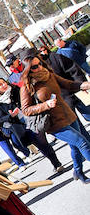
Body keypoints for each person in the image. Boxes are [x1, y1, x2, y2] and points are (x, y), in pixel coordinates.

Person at [19, 47, 90, 183]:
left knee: (75, 146)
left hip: (68, 114)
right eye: (34, 67)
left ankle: (78, 172)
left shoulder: (49, 74)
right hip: (54, 123)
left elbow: (68, 84)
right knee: (82, 143)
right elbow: (26, 110)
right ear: (27, 69)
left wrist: (85, 85)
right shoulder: (27, 86)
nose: (39, 67)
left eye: (39, 63)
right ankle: (78, 172)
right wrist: (45, 105)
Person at [0, 78, 66, 173]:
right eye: (0, 85)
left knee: (42, 143)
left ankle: (57, 164)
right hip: (20, 128)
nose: (4, 85)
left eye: (3, 82)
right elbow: (0, 120)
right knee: (40, 145)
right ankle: (55, 163)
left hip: (32, 119)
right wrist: (11, 116)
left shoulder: (16, 90)